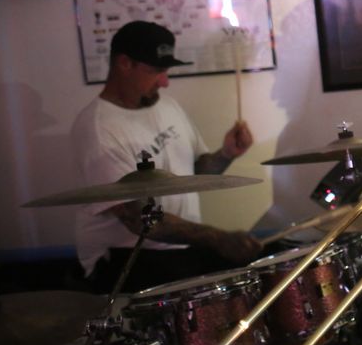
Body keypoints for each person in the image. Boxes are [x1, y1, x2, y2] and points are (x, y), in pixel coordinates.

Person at [72, 20, 263, 294]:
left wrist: (226, 154)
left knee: (252, 273)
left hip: (178, 249)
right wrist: (217, 238)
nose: (165, 82)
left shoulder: (166, 106)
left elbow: (197, 172)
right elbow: (140, 219)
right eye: (156, 71)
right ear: (124, 64)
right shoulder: (100, 130)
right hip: (128, 259)